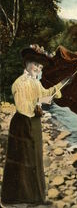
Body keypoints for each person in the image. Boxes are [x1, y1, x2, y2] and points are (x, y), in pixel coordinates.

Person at [1, 44, 62, 207]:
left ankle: (37, 198)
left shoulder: (35, 82)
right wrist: (40, 101)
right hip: (22, 124)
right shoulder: (18, 84)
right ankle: (16, 198)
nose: (38, 68)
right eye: (35, 65)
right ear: (27, 64)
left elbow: (44, 94)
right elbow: (23, 108)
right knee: (22, 160)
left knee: (35, 158)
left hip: (34, 123)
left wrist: (59, 87)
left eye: (40, 66)